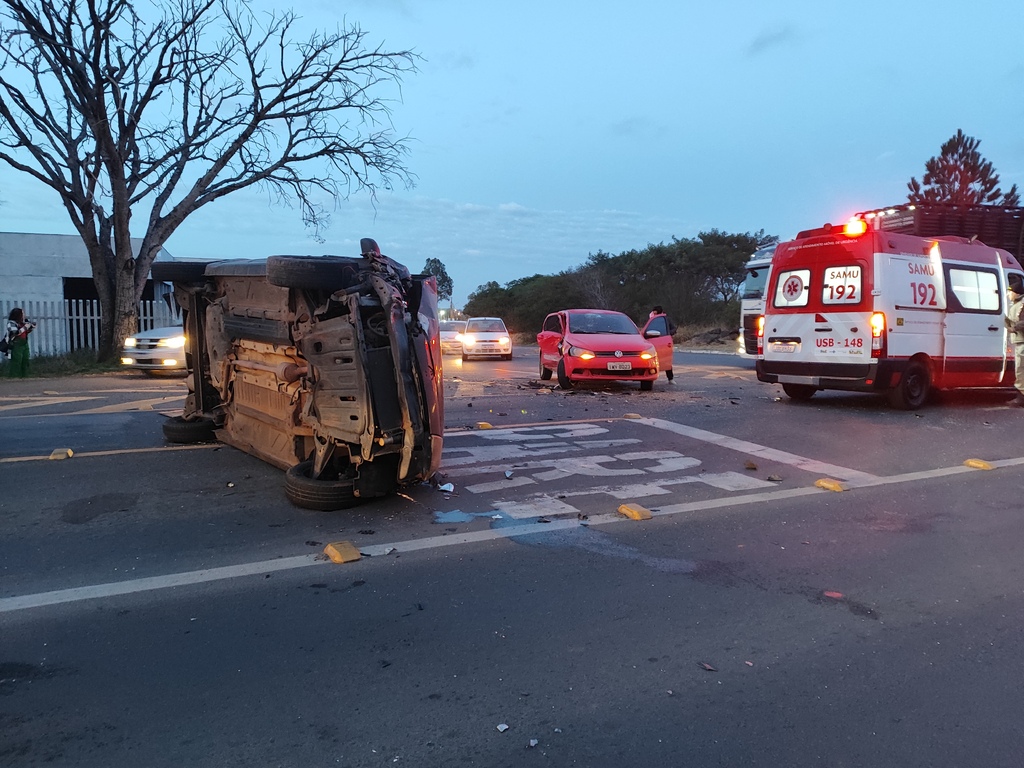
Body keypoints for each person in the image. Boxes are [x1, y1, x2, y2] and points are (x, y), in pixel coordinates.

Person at [1005, 274, 1024, 406]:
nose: (1008, 295)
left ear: (1016, 293)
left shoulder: (1022, 305)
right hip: (1019, 341)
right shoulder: (1017, 304)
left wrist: (1013, 328)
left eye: (1009, 292)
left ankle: (1021, 398)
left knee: (1021, 369)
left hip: (1022, 342)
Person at [648, 305, 677, 382]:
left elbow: (674, 329)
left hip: (664, 341)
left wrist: (667, 334)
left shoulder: (666, 320)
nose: (654, 315)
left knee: (666, 360)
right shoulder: (652, 320)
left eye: (655, 313)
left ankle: (670, 378)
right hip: (653, 341)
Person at [6, 307, 36, 378]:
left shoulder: (22, 323)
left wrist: (31, 326)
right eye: (22, 314)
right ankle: (14, 377)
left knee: (25, 360)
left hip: (24, 343)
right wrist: (25, 327)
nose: (24, 315)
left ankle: (24, 376)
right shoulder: (11, 323)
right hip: (16, 344)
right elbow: (16, 332)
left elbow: (26, 332)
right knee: (17, 361)